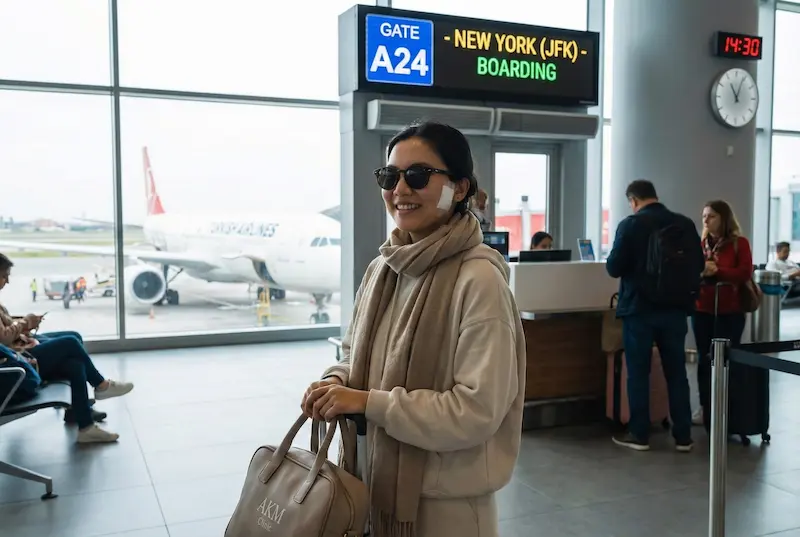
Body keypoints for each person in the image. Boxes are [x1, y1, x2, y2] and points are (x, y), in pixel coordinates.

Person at [301, 121, 526, 537]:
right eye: (390, 176)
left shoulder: (478, 280)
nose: (400, 190)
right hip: (372, 487)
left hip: (447, 506)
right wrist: (335, 381)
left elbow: (476, 411)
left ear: (460, 189)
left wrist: (369, 402)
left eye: (418, 176)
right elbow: (354, 355)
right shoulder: (382, 269)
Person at [605, 179, 704, 452]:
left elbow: (614, 267)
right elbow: (699, 264)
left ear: (633, 200)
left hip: (639, 310)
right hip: (675, 310)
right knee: (677, 372)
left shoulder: (631, 225)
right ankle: (683, 436)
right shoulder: (684, 224)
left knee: (638, 372)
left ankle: (639, 435)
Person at [0, 253, 133, 443]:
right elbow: (3, 338)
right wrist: (24, 323)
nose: (7, 281)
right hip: (16, 364)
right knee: (71, 345)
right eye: (4, 275)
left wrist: (24, 325)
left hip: (17, 350)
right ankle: (100, 388)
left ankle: (81, 417)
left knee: (74, 347)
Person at [692, 200, 753, 431]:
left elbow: (745, 272)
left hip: (730, 311)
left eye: (712, 216)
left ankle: (728, 409)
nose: (706, 220)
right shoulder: (700, 245)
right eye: (704, 216)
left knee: (727, 360)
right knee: (703, 359)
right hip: (702, 309)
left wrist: (719, 271)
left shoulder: (739, 244)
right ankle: (705, 407)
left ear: (724, 219)